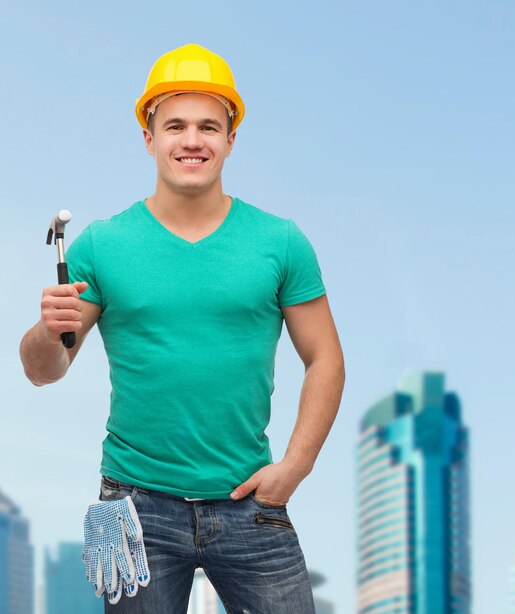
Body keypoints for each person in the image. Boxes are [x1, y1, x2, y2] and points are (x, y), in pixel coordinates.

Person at [19, 43, 345, 613]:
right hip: (136, 507)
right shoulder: (103, 243)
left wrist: (295, 466)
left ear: (230, 139)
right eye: (175, 126)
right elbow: (44, 372)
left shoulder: (280, 241)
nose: (192, 140)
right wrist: (48, 331)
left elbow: (325, 358)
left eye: (208, 127)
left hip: (252, 505)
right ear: (149, 138)